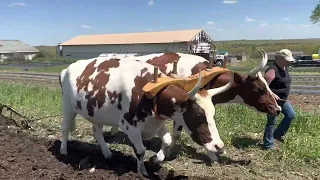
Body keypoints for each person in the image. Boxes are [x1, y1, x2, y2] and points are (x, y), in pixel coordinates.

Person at [263, 49, 297, 150]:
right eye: (287, 60)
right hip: (273, 102)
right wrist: (272, 94)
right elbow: (263, 86)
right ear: (279, 59)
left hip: (283, 100)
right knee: (272, 121)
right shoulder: (272, 70)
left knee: (291, 115)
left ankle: (277, 135)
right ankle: (268, 144)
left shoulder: (284, 68)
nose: (289, 62)